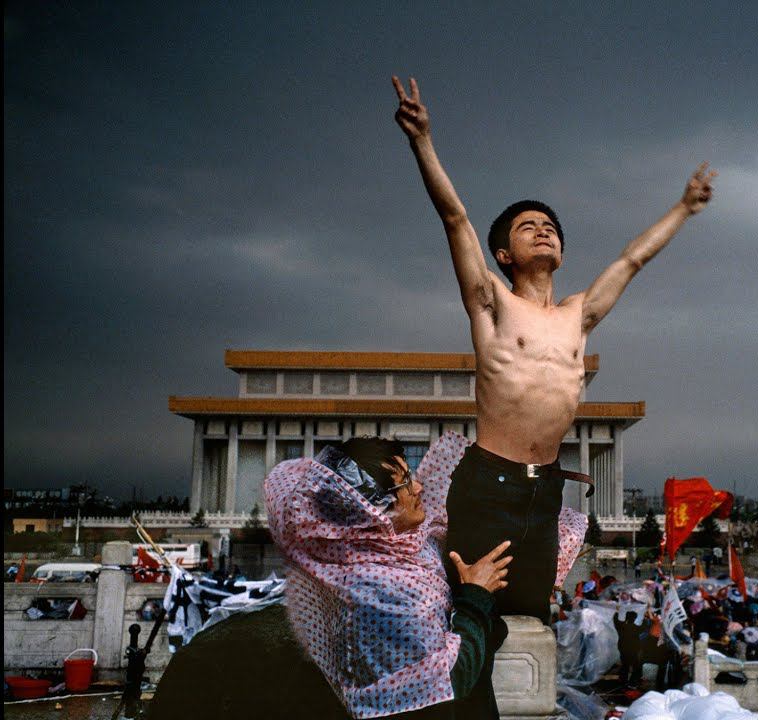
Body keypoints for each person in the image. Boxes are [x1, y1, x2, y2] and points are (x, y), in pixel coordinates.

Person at [392, 75, 713, 717]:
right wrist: (423, 140)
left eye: (550, 227)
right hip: (488, 483)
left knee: (530, 624)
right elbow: (454, 217)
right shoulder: (490, 301)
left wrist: (683, 207)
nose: (543, 232)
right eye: (527, 227)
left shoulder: (577, 316)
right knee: (470, 616)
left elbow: (631, 261)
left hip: (544, 492)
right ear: (503, 253)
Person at [148, 433, 512, 719]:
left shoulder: (385, 548)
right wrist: (476, 596)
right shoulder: (378, 591)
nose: (418, 488)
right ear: (373, 509)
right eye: (404, 484)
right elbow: (449, 679)